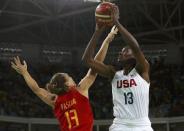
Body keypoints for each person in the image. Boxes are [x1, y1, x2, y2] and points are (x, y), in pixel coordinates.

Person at [11, 26, 118, 131]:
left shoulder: (55, 100)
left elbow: (37, 89)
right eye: (69, 77)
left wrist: (25, 73)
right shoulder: (80, 90)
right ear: (67, 84)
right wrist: (107, 41)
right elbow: (96, 65)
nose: (72, 78)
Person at [82, 5, 154, 131]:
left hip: (142, 125)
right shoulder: (113, 73)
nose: (120, 53)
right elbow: (87, 60)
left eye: (125, 51)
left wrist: (116, 22)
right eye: (121, 52)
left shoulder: (143, 69)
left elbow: (135, 47)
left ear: (134, 56)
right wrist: (97, 31)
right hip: (120, 125)